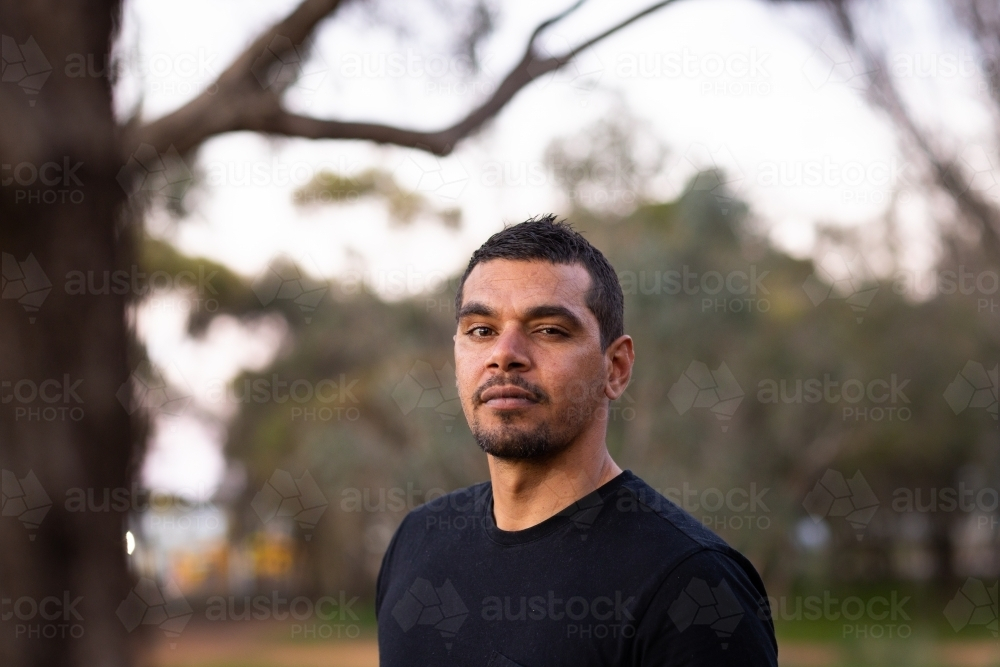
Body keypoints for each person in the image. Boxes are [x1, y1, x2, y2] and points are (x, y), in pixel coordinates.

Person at [376, 215, 778, 666]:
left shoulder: (692, 586)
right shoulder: (417, 542)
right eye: (481, 330)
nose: (504, 355)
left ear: (616, 367)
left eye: (549, 330)